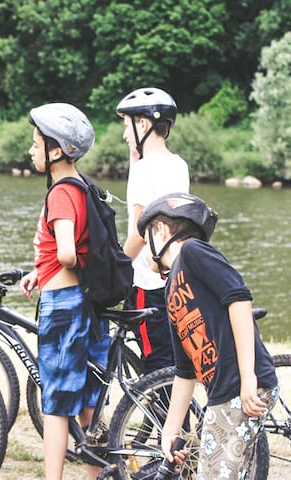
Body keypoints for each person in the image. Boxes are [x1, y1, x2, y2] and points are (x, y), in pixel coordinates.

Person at [137, 192, 278, 479]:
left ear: (161, 230)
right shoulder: (170, 288)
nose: (143, 249)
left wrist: (248, 376)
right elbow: (185, 371)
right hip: (220, 394)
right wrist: (170, 431)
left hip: (239, 385)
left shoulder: (192, 252)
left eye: (146, 235)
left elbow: (238, 298)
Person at [19, 103, 109, 480]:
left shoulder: (59, 193)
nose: (31, 150)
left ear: (57, 151)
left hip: (63, 307)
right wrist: (41, 272)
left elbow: (69, 251)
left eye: (36, 144)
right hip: (84, 303)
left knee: (55, 404)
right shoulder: (83, 185)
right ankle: (97, 475)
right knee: (88, 402)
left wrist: (54, 267)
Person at [116, 87, 190, 375]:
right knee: (173, 357)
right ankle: (164, 419)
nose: (125, 135)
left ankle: (162, 420)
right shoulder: (177, 165)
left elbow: (139, 231)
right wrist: (135, 157)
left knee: (155, 363)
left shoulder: (144, 170)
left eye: (127, 126)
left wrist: (118, 265)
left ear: (143, 124)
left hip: (147, 283)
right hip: (173, 277)